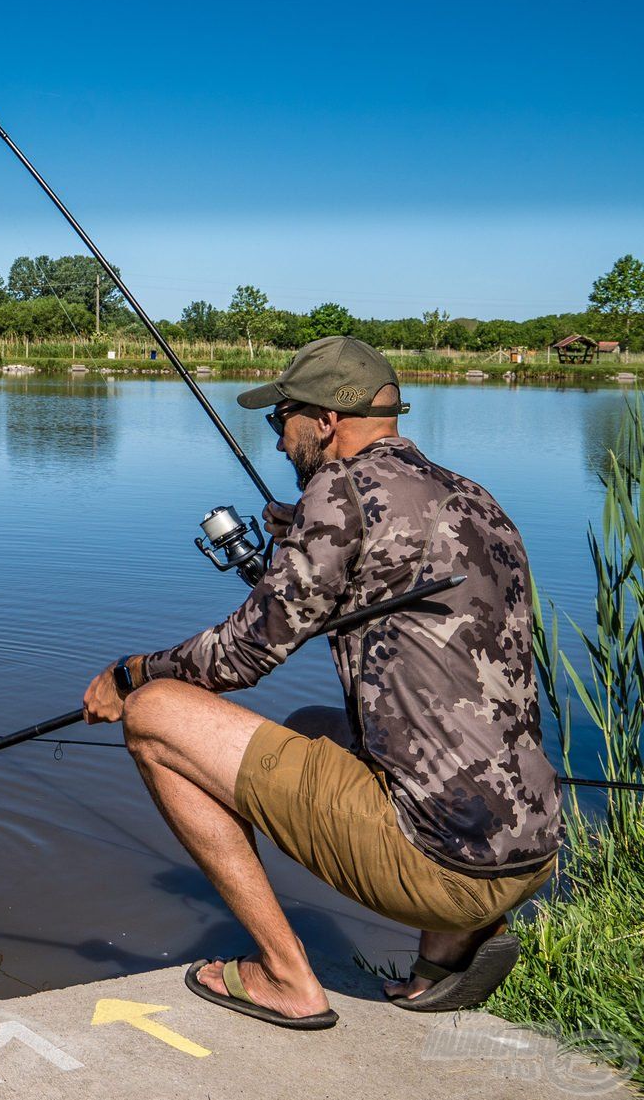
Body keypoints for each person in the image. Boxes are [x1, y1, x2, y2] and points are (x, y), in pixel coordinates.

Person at [82, 336, 560, 1030]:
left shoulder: (342, 491)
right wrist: (298, 528)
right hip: (529, 849)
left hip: (440, 866)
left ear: (327, 420)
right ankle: (457, 942)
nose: (277, 441)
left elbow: (241, 655)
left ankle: (285, 974)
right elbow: (393, 565)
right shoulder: (473, 497)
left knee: (156, 717)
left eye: (283, 420)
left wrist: (129, 674)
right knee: (309, 724)